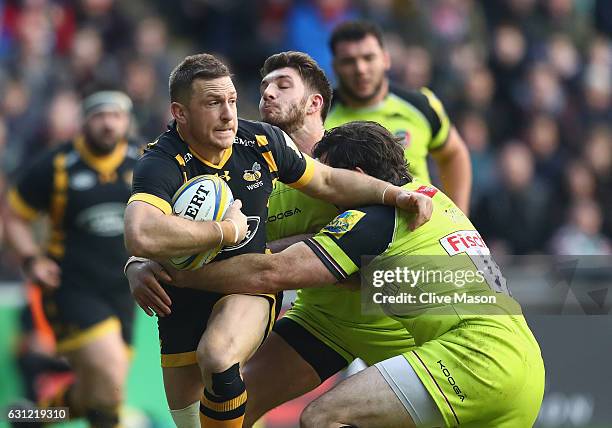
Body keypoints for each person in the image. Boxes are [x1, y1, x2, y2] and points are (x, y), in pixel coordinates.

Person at [158, 121, 546, 428]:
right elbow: (354, 269)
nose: (317, 190)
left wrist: (178, 275)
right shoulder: (429, 198)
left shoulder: (374, 218)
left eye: (327, 178)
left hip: (475, 359)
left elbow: (274, 272)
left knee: (322, 418)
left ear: (357, 176)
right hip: (524, 369)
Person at [123, 53, 432, 428]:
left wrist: (394, 196)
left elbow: (279, 265)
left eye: (282, 85)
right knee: (218, 411)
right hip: (321, 322)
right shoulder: (265, 176)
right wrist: (138, 262)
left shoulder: (356, 159)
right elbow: (145, 229)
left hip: (386, 319)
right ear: (180, 112)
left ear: (315, 102)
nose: (266, 93)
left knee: (296, 401)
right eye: (264, 85)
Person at [4, 90, 138, 427]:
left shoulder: (144, 163)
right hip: (71, 288)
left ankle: (34, 417)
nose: (108, 124)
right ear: (85, 121)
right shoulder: (58, 165)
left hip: (125, 291)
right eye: (100, 116)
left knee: (104, 392)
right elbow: (15, 214)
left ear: (127, 121)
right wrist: (31, 259)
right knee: (108, 381)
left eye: (116, 116)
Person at [326, 20, 472, 214]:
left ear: (386, 59)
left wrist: (459, 215)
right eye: (349, 61)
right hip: (351, 235)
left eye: (368, 58)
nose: (360, 69)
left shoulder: (420, 105)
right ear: (335, 66)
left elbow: (453, 153)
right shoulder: (320, 114)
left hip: (418, 229)